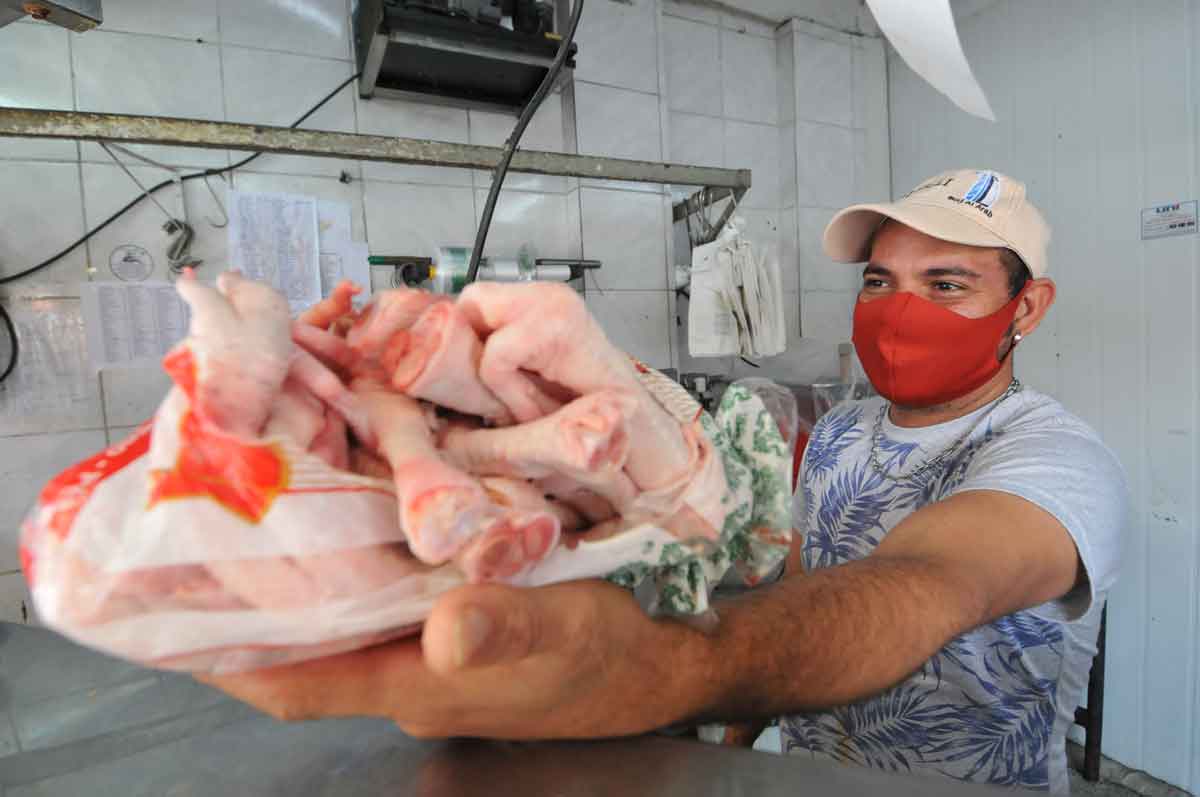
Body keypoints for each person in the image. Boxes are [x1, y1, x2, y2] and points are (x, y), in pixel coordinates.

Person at [201, 169, 1127, 794]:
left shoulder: (1054, 460)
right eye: (881, 282)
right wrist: (712, 737)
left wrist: (667, 674)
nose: (899, 312)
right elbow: (803, 587)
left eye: (949, 284)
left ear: (1027, 309)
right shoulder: (844, 429)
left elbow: (924, 585)